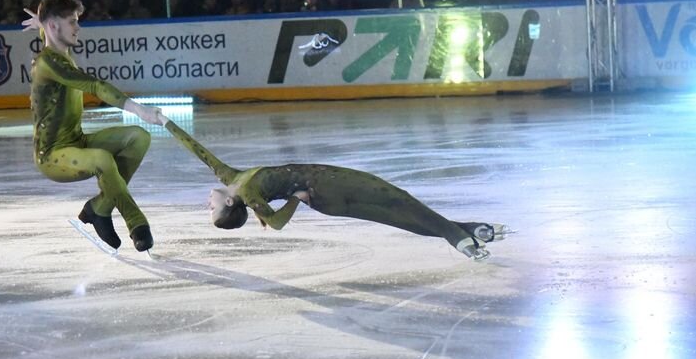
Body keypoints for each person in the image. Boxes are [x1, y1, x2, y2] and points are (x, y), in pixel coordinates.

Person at [164, 121, 508, 260]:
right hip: (330, 182)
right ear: (228, 202)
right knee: (398, 201)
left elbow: (197, 150)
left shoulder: (231, 177)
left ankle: (470, 231)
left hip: (326, 201)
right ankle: (459, 239)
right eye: (213, 210)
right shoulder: (250, 195)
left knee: (395, 217)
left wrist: (163, 121)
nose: (206, 205)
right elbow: (277, 223)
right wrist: (294, 199)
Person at [23, 0, 168, 251]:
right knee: (102, 159)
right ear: (55, 26)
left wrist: (43, 26)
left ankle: (100, 208)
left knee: (138, 137)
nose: (78, 27)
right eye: (72, 22)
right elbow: (95, 86)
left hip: (76, 141)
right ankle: (137, 223)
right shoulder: (47, 62)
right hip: (52, 156)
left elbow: (51, 35)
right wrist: (139, 109)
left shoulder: (59, 50)